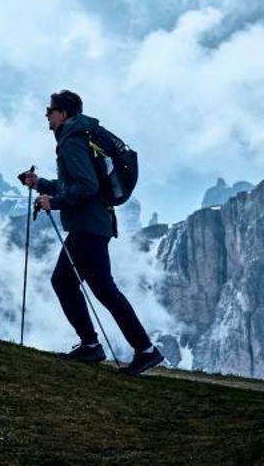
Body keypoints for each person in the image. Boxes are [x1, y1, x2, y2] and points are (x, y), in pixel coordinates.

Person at [18, 89, 165, 375]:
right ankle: (139, 349)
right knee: (101, 289)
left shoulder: (72, 139)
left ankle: (97, 346)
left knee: (65, 281)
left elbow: (86, 187)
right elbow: (80, 183)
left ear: (63, 113)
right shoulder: (82, 134)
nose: (46, 115)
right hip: (96, 223)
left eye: (50, 110)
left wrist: (54, 202)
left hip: (87, 225)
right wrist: (41, 184)